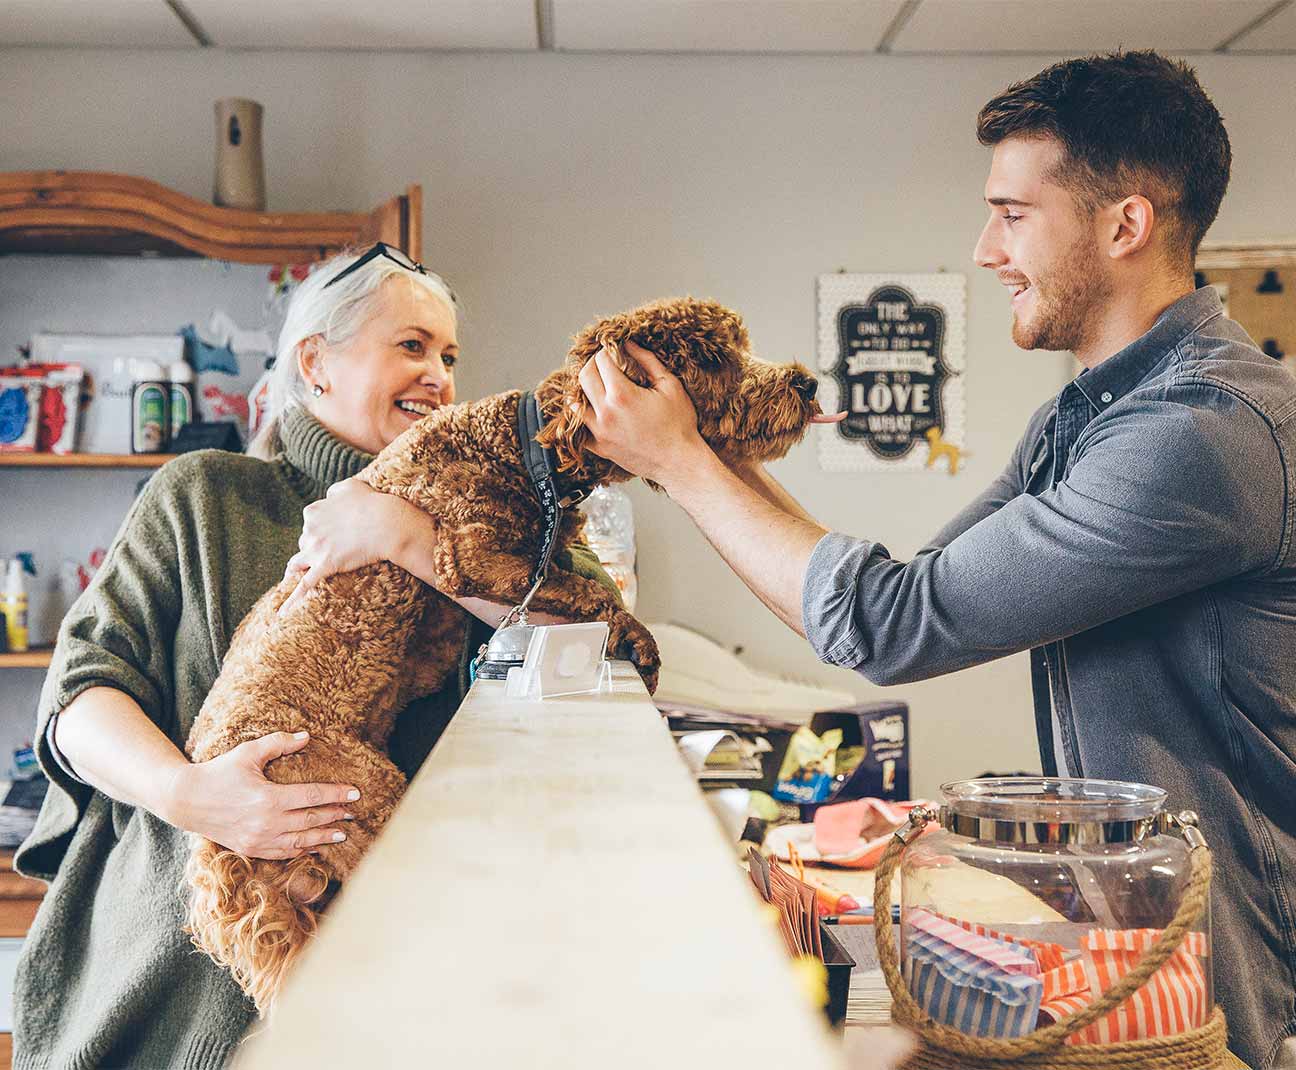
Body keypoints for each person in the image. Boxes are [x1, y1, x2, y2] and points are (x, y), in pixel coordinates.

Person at [576, 52, 1296, 1069]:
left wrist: (684, 464)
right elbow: (896, 595)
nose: (986, 247)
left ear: (1123, 225)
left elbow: (886, 625)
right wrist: (711, 453)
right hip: (1134, 912)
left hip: (1226, 943)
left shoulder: (1201, 434)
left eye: (1011, 213)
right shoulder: (1087, 416)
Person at [14, 244, 618, 1068]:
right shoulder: (206, 497)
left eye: (448, 355)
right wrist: (193, 797)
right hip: (186, 970)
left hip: (412, 974)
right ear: (315, 362)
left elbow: (597, 650)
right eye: (410, 346)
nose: (439, 375)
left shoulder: (487, 527)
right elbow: (80, 695)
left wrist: (408, 539)